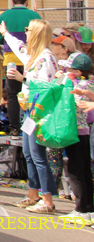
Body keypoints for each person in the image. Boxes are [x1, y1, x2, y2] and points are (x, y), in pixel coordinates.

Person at [0, 19, 58, 213]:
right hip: (29, 111)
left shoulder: (46, 58)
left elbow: (47, 88)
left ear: (37, 34)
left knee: (38, 155)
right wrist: (6, 34)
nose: (26, 33)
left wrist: (23, 79)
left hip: (38, 113)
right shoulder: (34, 56)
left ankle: (47, 199)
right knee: (28, 153)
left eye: (28, 30)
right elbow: (19, 48)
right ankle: (33, 194)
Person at [0, 0, 41, 135]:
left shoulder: (4, 16)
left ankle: (14, 128)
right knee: (32, 93)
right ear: (27, 1)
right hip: (30, 61)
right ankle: (31, 127)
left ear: (12, 0)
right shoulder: (34, 16)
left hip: (11, 60)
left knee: (13, 94)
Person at [56, 52, 94, 223]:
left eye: (69, 68)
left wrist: (64, 83)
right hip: (83, 131)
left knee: (75, 171)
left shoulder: (82, 85)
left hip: (75, 131)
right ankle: (88, 208)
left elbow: (73, 104)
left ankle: (80, 209)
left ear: (78, 72)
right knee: (85, 170)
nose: (65, 70)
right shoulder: (88, 83)